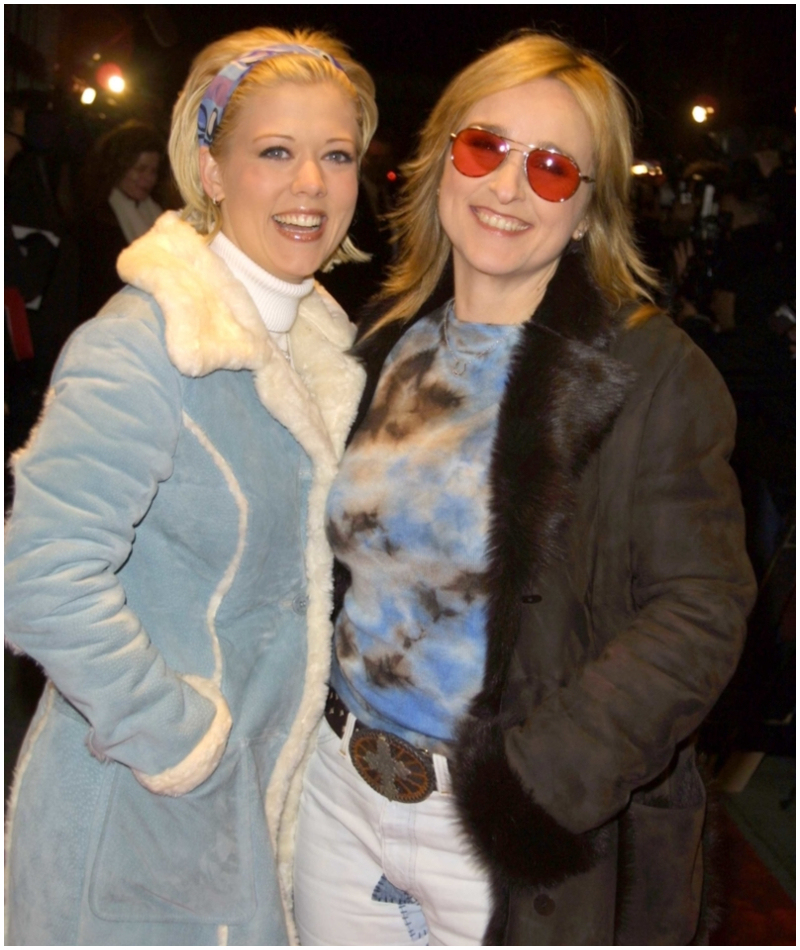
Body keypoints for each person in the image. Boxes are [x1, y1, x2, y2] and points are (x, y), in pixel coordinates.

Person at [292, 31, 756, 946]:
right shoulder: (382, 336)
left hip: (505, 833)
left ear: (587, 210)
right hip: (338, 797)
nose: (507, 186)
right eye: (484, 147)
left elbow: (700, 610)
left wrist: (534, 787)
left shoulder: (653, 371)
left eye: (550, 169)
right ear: (442, 162)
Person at [5, 26, 376, 946]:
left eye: (337, 155)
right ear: (210, 169)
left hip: (253, 818)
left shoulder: (314, 346)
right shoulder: (143, 343)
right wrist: (182, 743)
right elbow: (38, 576)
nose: (311, 187)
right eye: (275, 153)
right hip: (136, 823)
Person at [73, 120, 166, 321]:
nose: (148, 179)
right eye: (140, 169)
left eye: (153, 171)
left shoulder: (158, 214)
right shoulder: (96, 220)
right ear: (118, 167)